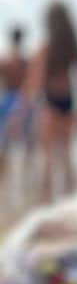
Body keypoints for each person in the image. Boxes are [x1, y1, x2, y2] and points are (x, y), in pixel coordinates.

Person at [18, 2, 77, 204]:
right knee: (66, 159)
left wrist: (22, 111)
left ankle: (46, 205)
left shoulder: (45, 50)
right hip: (69, 104)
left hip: (49, 106)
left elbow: (34, 85)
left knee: (47, 160)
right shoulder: (71, 49)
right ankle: (70, 205)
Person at [0, 25, 29, 186]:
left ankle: (5, 180)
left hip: (7, 99)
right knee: (26, 143)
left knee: (4, 143)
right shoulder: (25, 61)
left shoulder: (6, 60)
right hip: (21, 99)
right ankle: (23, 180)